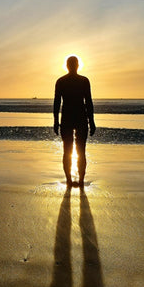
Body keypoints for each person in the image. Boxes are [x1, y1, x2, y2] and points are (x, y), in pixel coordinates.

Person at [53, 56, 96, 188]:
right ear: (77, 65)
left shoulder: (62, 81)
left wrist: (55, 121)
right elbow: (88, 102)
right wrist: (92, 121)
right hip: (78, 118)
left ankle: (71, 180)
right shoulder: (82, 81)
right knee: (78, 150)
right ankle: (76, 180)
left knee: (69, 150)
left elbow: (57, 103)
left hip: (69, 118)